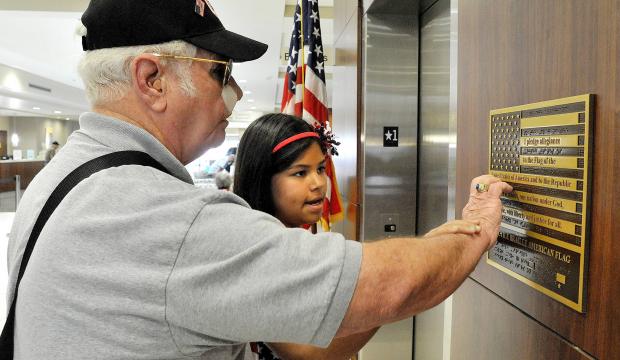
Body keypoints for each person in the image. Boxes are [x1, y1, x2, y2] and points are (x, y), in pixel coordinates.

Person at [5, 1, 511, 359]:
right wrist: (476, 227)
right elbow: (385, 289)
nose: (236, 91)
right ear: (151, 79)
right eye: (219, 72)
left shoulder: (62, 180)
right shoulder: (165, 218)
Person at [234, 113, 484, 360]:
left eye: (320, 169)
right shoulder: (260, 251)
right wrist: (386, 302)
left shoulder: (287, 239)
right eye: (300, 173)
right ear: (262, 179)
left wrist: (429, 245)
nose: (319, 183)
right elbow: (307, 353)